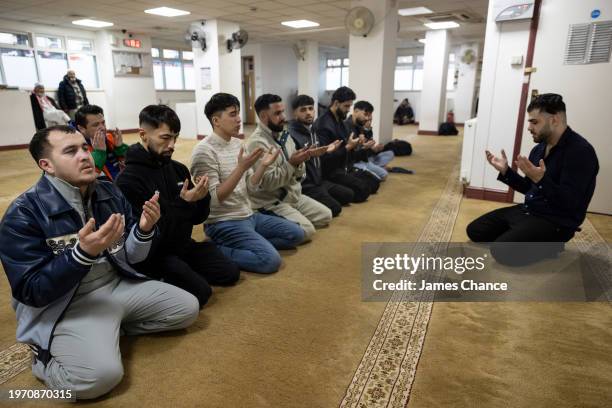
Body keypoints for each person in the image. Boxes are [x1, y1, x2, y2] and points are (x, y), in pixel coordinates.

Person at [0, 125, 199, 399]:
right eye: (71, 151)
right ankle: (43, 358)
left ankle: (110, 327)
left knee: (187, 308)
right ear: (47, 165)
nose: (85, 156)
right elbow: (31, 291)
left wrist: (142, 230)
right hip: (66, 305)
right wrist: (81, 254)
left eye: (85, 148)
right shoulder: (23, 214)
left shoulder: (109, 193)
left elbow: (131, 257)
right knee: (98, 379)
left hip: (115, 286)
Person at [116, 105, 239, 307]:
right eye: (165, 138)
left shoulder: (178, 169)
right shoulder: (128, 181)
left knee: (229, 273)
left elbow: (198, 218)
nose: (172, 145)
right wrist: (184, 203)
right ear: (143, 135)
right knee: (202, 293)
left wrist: (201, 197)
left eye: (175, 137)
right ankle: (156, 280)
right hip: (155, 255)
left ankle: (183, 271)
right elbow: (152, 234)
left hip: (182, 244)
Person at [466, 93, 599, 266]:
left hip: (556, 221)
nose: (529, 127)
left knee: (501, 251)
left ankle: (552, 245)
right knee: (475, 231)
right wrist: (506, 171)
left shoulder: (580, 152)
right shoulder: (539, 149)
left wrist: (542, 180)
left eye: (534, 122)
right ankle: (522, 234)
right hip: (530, 209)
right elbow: (529, 187)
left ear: (554, 119)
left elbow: (570, 203)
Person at [190, 93, 305, 274]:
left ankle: (253, 242)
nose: (239, 119)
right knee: (269, 261)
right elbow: (213, 200)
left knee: (298, 234)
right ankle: (212, 249)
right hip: (223, 222)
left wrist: (262, 166)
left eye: (238, 113)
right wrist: (241, 168)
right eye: (233, 114)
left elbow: (251, 186)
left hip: (249, 215)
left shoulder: (237, 144)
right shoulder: (203, 151)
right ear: (216, 120)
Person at [245, 94, 332, 241]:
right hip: (272, 202)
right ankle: (259, 230)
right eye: (278, 113)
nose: (284, 117)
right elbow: (269, 183)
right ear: (263, 116)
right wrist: (292, 164)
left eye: (283, 111)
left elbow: (300, 175)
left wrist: (300, 161)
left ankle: (288, 219)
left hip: (292, 195)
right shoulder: (257, 143)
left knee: (326, 216)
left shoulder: (283, 133)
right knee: (307, 231)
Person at [288, 94, 353, 217]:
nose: (308, 113)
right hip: (305, 186)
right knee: (335, 208)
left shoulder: (311, 130)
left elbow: (318, 157)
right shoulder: (291, 134)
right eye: (303, 110)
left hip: (319, 181)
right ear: (294, 113)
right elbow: (293, 164)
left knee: (348, 195)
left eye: (310, 108)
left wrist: (327, 151)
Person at [313, 86, 379, 202]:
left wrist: (361, 147)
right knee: (362, 190)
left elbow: (349, 149)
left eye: (350, 106)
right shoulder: (323, 124)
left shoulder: (340, 122)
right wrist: (348, 147)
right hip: (330, 172)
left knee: (374, 183)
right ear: (336, 103)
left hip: (345, 166)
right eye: (346, 106)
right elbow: (323, 158)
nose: (349, 110)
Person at [75, 104, 128, 181]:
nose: (103, 128)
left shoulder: (111, 138)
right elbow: (86, 178)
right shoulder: (78, 149)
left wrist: (120, 147)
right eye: (96, 125)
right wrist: (99, 153)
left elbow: (130, 162)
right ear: (81, 128)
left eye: (103, 123)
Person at [344, 101, 395, 181]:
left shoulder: (360, 125)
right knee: (376, 180)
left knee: (384, 175)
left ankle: (372, 168)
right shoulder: (345, 127)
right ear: (356, 111)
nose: (367, 118)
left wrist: (371, 149)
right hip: (353, 163)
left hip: (364, 160)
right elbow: (347, 155)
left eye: (369, 116)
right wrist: (363, 148)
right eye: (365, 114)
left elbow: (364, 150)